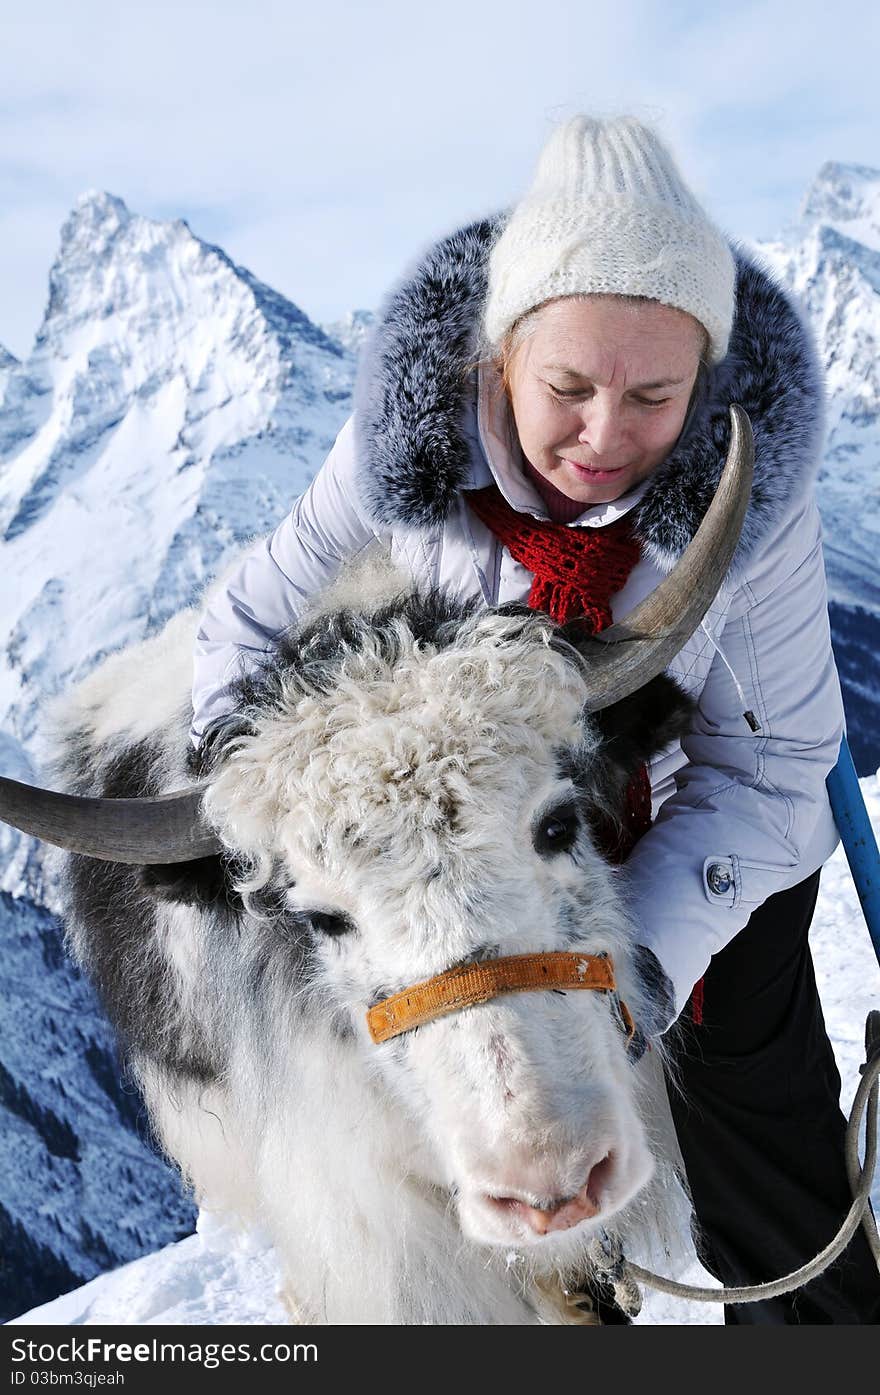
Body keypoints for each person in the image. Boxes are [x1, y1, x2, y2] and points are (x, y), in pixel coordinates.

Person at [189, 115, 880, 1323]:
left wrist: (642, 966)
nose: (605, 439)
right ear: (497, 360)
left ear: (705, 383)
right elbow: (246, 622)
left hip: (697, 812)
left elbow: (776, 771)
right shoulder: (400, 449)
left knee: (757, 1146)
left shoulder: (751, 494)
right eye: (565, 387)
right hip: (467, 832)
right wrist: (249, 790)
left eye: (653, 396)